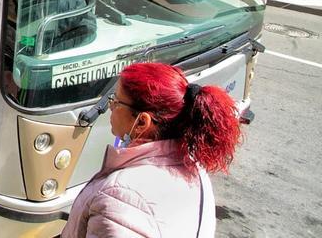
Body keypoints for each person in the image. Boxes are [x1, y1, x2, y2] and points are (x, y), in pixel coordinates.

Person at [61, 63, 241, 237]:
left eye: (116, 101)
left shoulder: (120, 199)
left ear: (141, 122)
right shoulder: (193, 165)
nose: (111, 107)